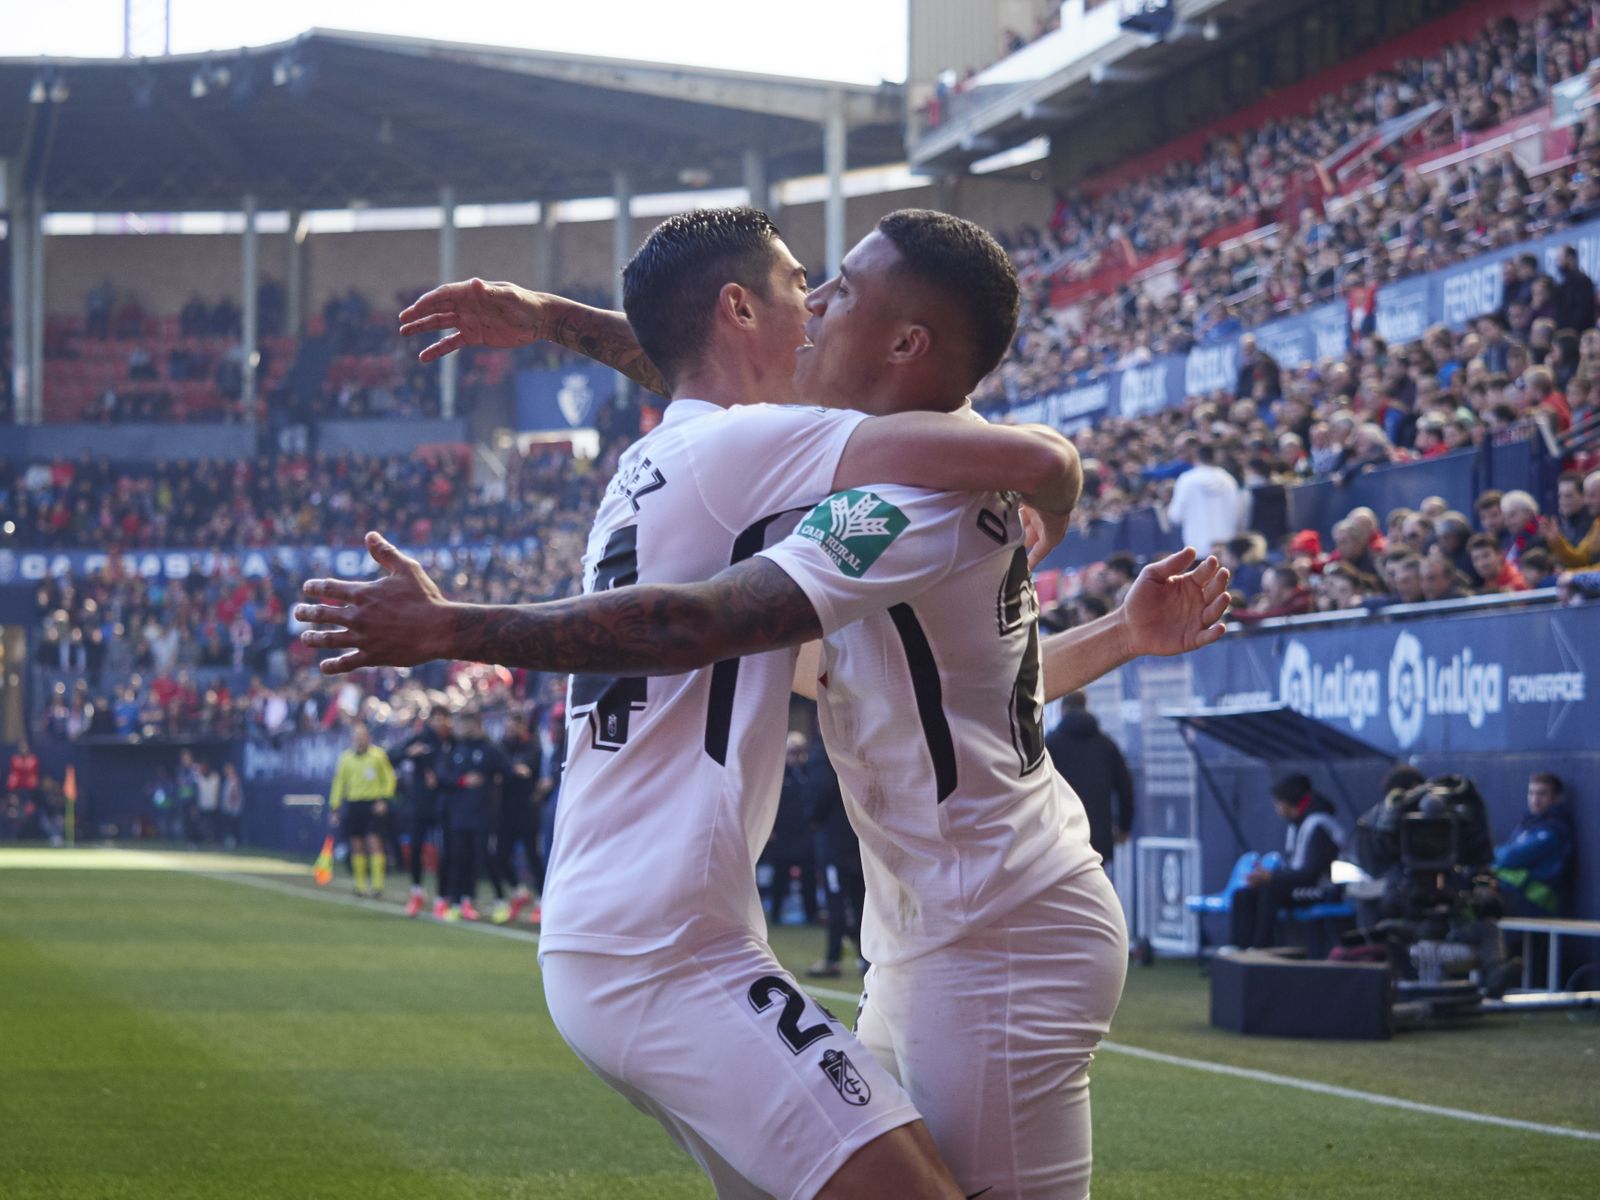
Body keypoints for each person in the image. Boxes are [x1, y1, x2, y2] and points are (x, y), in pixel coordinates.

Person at [300, 206, 1231, 1199]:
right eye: (807, 287)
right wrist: (1110, 606)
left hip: (990, 924)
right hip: (923, 924)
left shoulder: (902, 492)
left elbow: (703, 610)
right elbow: (720, 384)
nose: (819, 305)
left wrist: (453, 629)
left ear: (904, 342)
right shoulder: (812, 466)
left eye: (842, 291)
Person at [1228, 774, 1342, 952]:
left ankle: (1260, 950)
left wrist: (1272, 878)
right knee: (1244, 894)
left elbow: (1310, 874)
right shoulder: (1296, 826)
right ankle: (1238, 951)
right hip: (1298, 886)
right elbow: (1293, 867)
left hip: (1324, 890)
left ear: (1289, 803)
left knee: (1270, 890)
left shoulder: (1319, 825)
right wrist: (1269, 876)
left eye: (1278, 803)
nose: (1276, 809)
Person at [1045, 692, 1134, 868]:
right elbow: (1126, 788)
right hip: (1098, 837)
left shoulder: (1050, 745)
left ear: (1062, 709)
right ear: (1086, 707)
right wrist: (1124, 827)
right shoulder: (1107, 745)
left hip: (1061, 838)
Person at [434, 710, 506, 922]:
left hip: (484, 815)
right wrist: (462, 781)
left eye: (465, 724)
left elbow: (507, 771)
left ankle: (502, 901)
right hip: (458, 815)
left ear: (476, 725)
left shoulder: (490, 749)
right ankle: (459, 903)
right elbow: (442, 776)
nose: (461, 728)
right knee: (458, 859)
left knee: (486, 858)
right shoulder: (455, 749)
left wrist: (496, 783)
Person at [806, 736, 864, 980]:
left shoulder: (825, 751)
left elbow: (818, 796)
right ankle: (867, 957)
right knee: (862, 901)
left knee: (836, 901)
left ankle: (832, 959)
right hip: (860, 838)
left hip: (835, 842)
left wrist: (811, 816)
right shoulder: (860, 745)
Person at [326, 723, 396, 899]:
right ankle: (360, 886)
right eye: (357, 737)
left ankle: (378, 886)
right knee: (357, 845)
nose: (360, 740)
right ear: (352, 739)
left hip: (372, 803)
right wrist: (334, 806)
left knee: (374, 842)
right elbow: (339, 783)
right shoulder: (346, 759)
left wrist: (383, 799)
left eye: (363, 736)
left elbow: (389, 778)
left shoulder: (378, 756)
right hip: (354, 803)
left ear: (369, 737)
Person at [487, 712, 543, 924]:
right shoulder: (501, 747)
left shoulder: (533, 747)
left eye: (514, 726)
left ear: (523, 727)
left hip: (527, 811)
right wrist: (510, 771)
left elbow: (525, 771)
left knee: (533, 858)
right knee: (499, 855)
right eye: (508, 727)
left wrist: (508, 771)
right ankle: (519, 891)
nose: (510, 731)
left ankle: (541, 901)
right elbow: (507, 770)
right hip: (505, 811)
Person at [1493, 773, 1574, 917]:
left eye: (1542, 794)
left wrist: (1487, 854)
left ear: (1557, 798)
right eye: (1531, 793)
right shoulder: (1528, 824)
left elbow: (1509, 857)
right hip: (1516, 902)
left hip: (1537, 906)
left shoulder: (1553, 831)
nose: (1535, 800)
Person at [398, 710, 452, 917]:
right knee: (415, 849)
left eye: (444, 718)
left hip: (442, 805)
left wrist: (440, 778)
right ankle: (417, 892)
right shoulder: (420, 739)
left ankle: (441, 899)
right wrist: (409, 753)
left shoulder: (453, 742)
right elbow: (393, 755)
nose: (441, 722)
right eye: (437, 718)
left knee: (443, 853)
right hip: (419, 805)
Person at [764, 732, 820, 927]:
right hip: (783, 836)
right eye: (791, 751)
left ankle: (811, 914)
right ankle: (776, 915)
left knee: (808, 878)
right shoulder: (779, 775)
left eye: (798, 751)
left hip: (805, 834)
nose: (795, 756)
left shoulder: (808, 773)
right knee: (779, 878)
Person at [1166, 442, 1242, 554]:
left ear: (1196, 457)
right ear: (1216, 457)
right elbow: (1238, 513)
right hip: (1226, 548)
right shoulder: (1228, 480)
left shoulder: (1187, 480)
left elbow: (1175, 515)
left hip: (1196, 549)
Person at [219, 762, 244, 849]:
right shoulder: (228, 780)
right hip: (229, 808)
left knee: (233, 827)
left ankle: (235, 843)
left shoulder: (234, 780)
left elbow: (234, 795)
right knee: (229, 827)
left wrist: (231, 806)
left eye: (228, 769)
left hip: (233, 809)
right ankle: (231, 842)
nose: (226, 771)